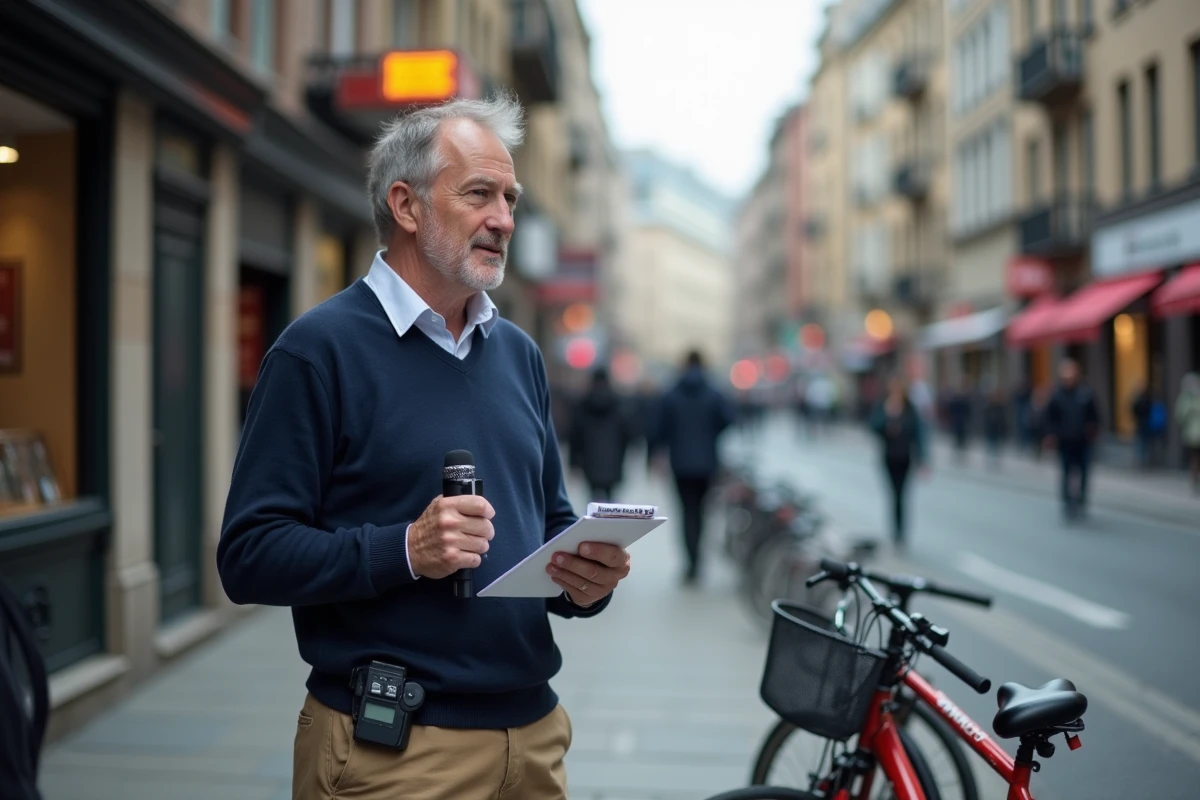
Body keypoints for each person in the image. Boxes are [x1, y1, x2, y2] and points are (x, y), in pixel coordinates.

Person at [216, 95, 635, 800]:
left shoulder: (519, 354)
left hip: (534, 739)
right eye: (478, 194)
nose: (504, 217)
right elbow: (249, 556)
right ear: (406, 206)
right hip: (395, 750)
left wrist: (581, 580)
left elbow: (549, 521)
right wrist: (406, 549)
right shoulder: (319, 350)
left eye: (509, 196)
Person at [648, 349, 736, 584]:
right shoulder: (713, 392)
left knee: (686, 512)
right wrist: (710, 436)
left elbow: (657, 429)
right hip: (707, 462)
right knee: (702, 512)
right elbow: (728, 419)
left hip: (680, 463)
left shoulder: (671, 393)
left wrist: (656, 455)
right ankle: (699, 561)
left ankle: (690, 563)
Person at [869, 375, 927, 548]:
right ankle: (895, 532)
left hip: (905, 458)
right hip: (889, 458)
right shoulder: (883, 406)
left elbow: (919, 435)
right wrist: (888, 417)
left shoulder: (910, 409)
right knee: (893, 495)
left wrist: (922, 459)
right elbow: (873, 427)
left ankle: (900, 533)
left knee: (902, 496)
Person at [1042, 358, 1101, 520]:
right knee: (1067, 472)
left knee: (1083, 472)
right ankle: (1067, 503)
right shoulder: (1057, 396)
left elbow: (1095, 415)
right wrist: (1051, 435)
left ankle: (1081, 501)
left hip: (1083, 441)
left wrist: (1093, 430)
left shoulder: (1085, 393)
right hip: (1065, 441)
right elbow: (1049, 418)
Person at [569, 367, 632, 502]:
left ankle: (595, 523)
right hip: (613, 460)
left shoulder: (583, 405)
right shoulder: (618, 404)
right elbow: (627, 434)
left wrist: (574, 463)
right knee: (611, 503)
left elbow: (575, 436)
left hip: (589, 461)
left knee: (593, 503)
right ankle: (610, 523)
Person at [1175, 372, 1200, 493]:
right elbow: (1180, 415)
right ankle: (1194, 480)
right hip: (1192, 435)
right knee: (1195, 458)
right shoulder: (1185, 398)